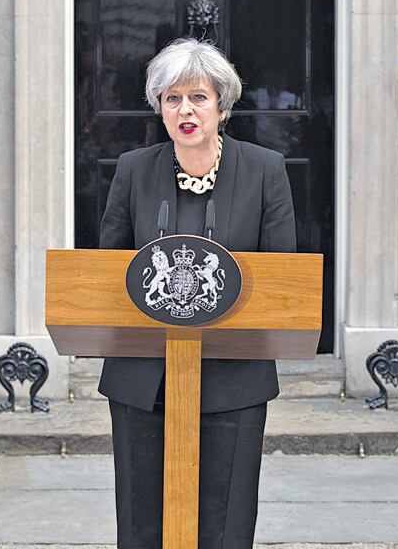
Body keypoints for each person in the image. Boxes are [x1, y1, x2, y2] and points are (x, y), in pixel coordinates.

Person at [97, 37, 296, 547]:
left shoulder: (264, 170)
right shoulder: (133, 169)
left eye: (198, 98)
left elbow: (283, 281)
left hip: (234, 381)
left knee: (223, 524)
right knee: (143, 523)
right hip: (145, 381)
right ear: (159, 108)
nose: (185, 110)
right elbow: (107, 275)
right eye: (172, 99)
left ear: (222, 106)